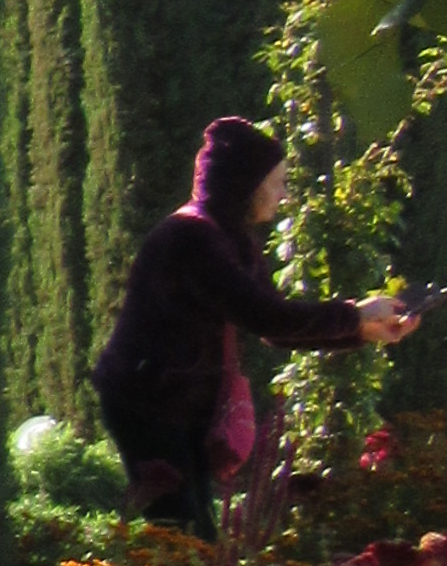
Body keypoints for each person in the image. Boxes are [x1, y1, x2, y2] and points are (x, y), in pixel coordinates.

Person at [91, 114, 415, 533]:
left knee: (191, 534)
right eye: (278, 182)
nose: (285, 194)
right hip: (146, 400)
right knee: (183, 533)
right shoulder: (193, 236)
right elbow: (267, 316)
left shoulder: (231, 238)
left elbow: (273, 326)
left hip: (179, 404)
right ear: (248, 184)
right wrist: (355, 315)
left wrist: (362, 331)